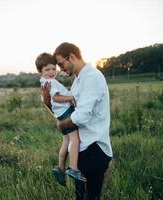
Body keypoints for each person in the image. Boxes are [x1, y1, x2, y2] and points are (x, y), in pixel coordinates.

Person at [43, 42, 113, 200]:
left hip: (94, 150)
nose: (61, 69)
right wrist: (48, 103)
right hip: (83, 149)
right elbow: (66, 113)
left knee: (90, 197)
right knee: (80, 197)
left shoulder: (92, 77)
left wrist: (61, 125)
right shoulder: (77, 81)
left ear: (72, 56)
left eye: (61, 64)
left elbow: (80, 117)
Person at [35, 52, 86, 186]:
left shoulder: (44, 82)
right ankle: (74, 168)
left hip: (60, 114)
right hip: (66, 113)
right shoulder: (50, 82)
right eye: (47, 69)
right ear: (40, 72)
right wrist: (70, 98)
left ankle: (61, 168)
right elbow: (56, 98)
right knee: (75, 139)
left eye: (53, 68)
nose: (52, 72)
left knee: (66, 141)